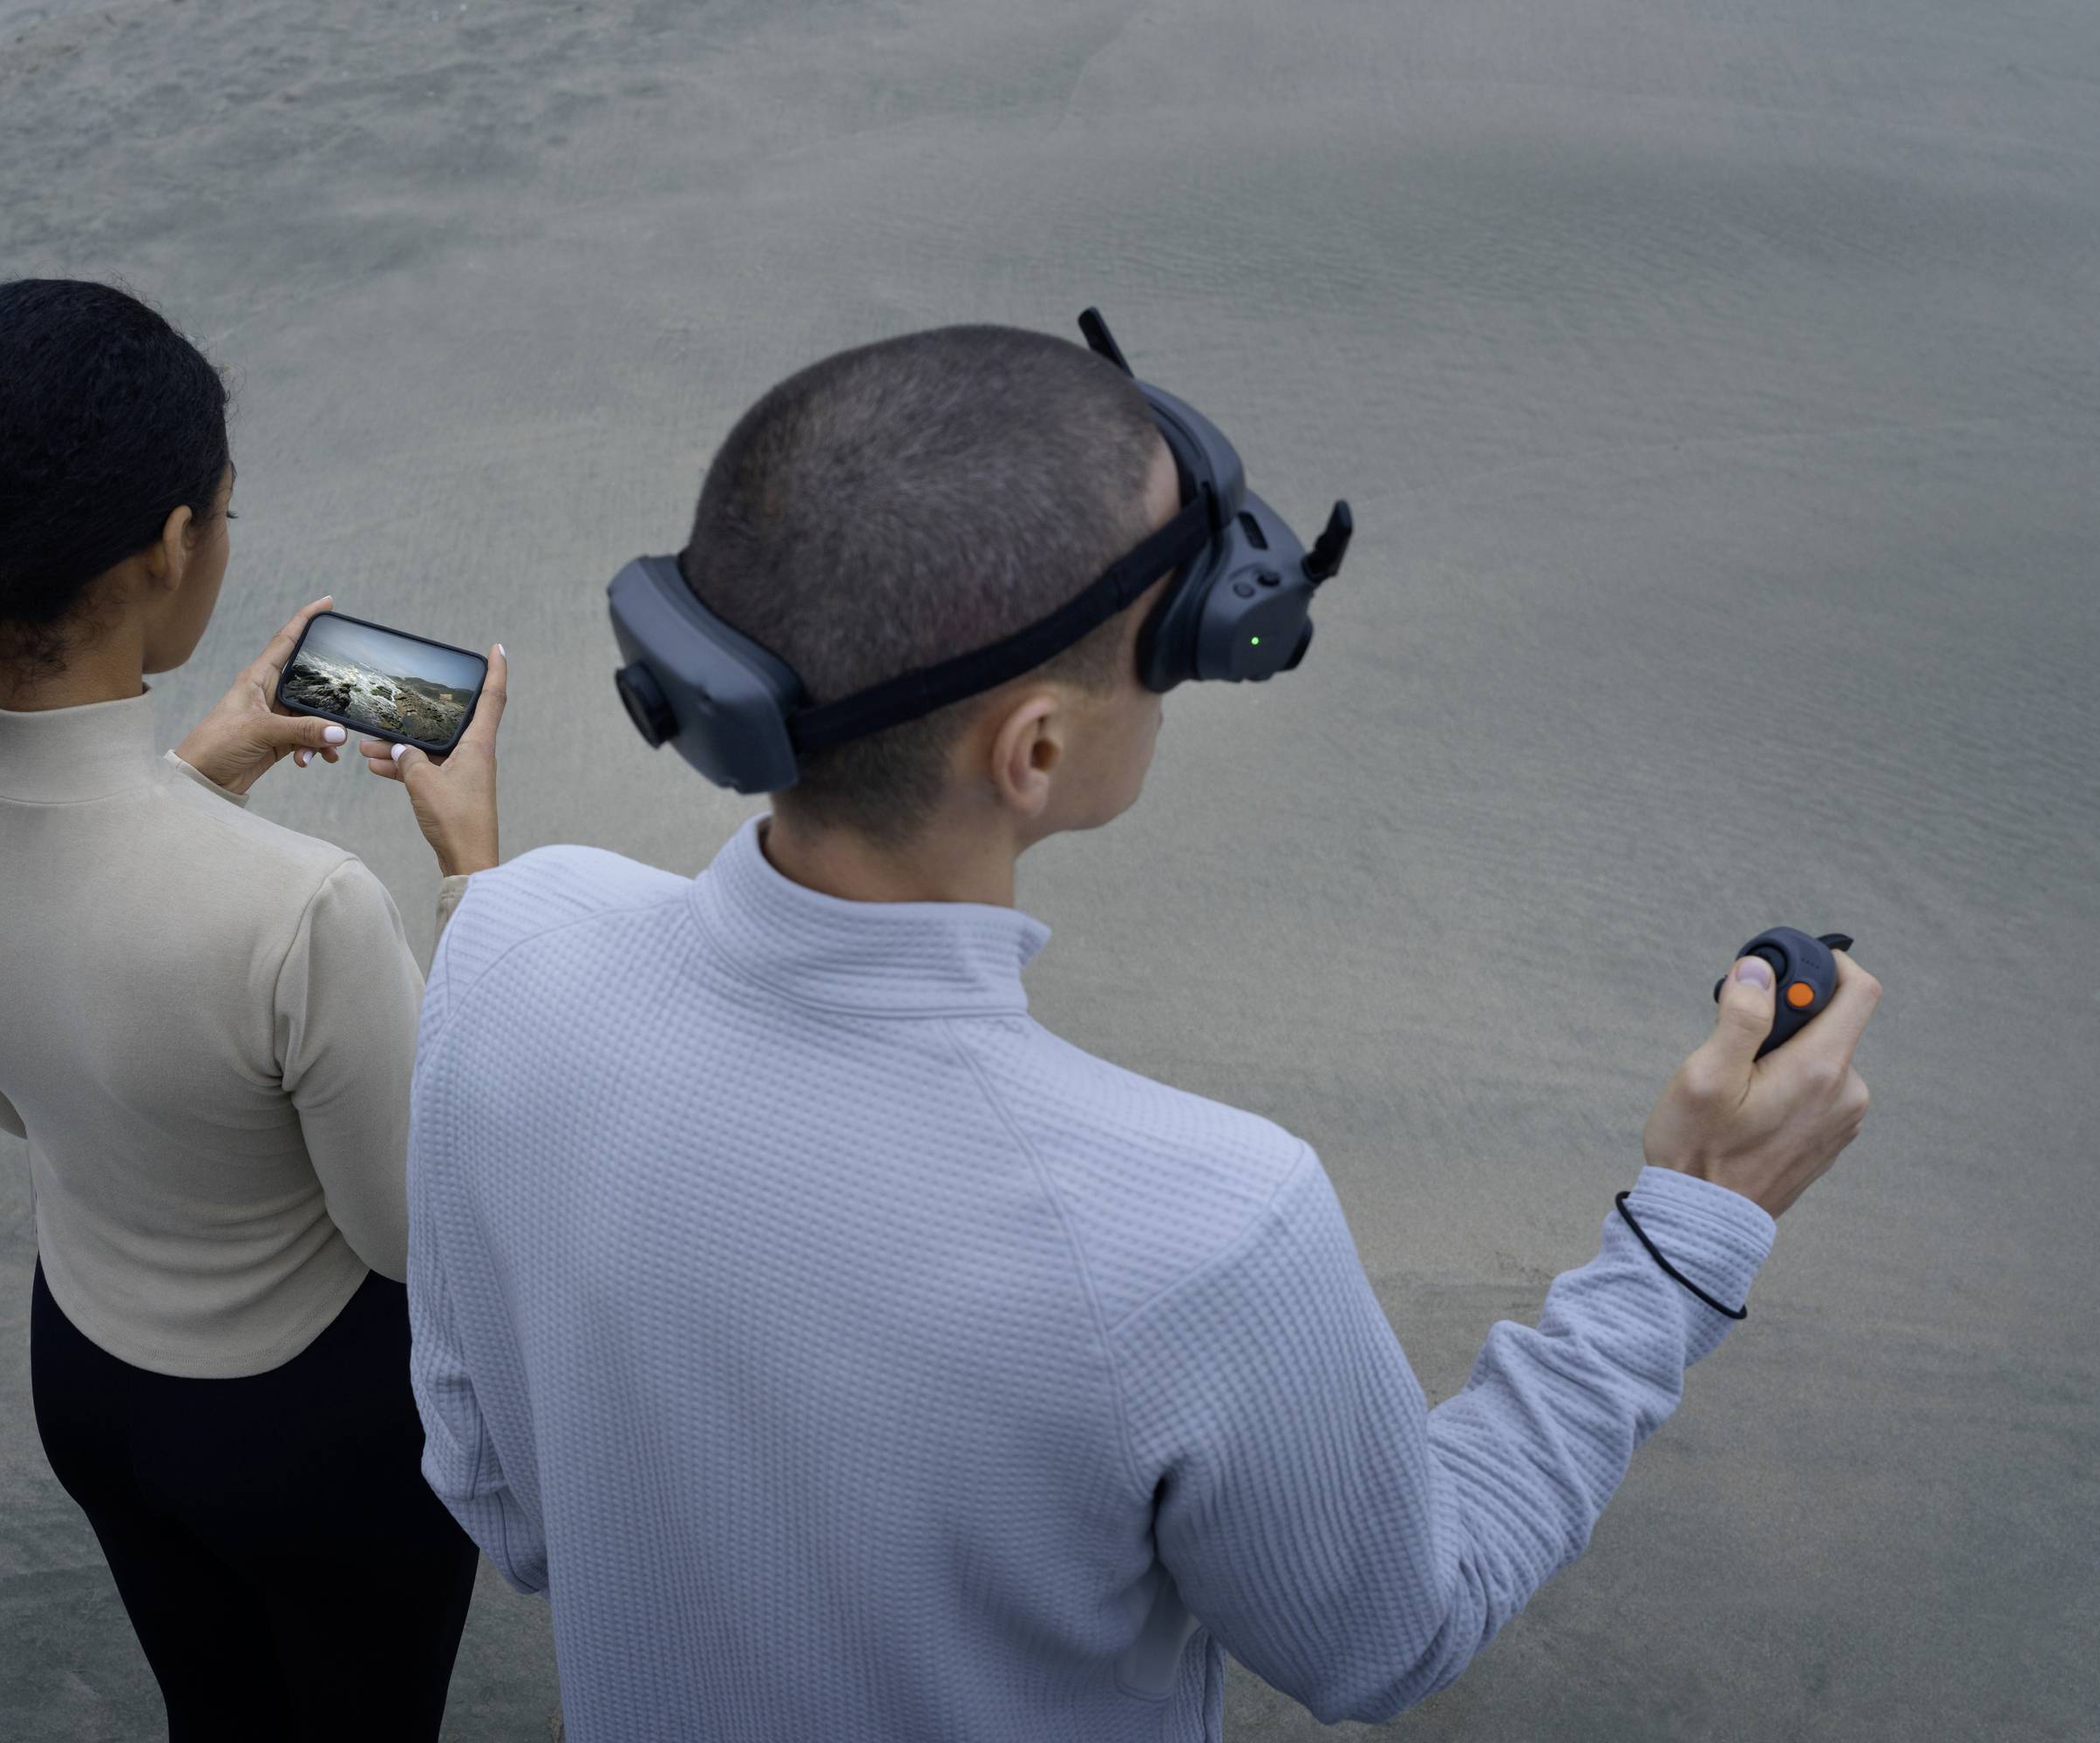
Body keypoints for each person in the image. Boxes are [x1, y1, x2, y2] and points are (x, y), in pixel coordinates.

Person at [385, 324, 1881, 1739]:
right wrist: (1690, 1235)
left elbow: (502, 1502)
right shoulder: (1205, 1226)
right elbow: (1389, 1638)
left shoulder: (510, 946)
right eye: (1168, 636)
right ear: (1032, 751)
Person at [0, 279, 507, 1740]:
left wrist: (195, 781)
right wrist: (474, 877)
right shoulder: (303, 907)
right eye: (226, 517)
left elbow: (40, 1059)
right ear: (175, 546)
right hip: (310, 1434)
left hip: (88, 1378)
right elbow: (412, 1234)